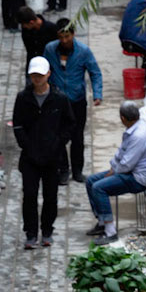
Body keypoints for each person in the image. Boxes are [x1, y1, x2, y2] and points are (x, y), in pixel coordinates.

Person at [12, 57, 72, 251]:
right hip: (30, 157)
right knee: (29, 195)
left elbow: (69, 124)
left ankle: (47, 231)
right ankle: (30, 233)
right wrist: (27, 145)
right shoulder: (23, 98)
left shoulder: (59, 98)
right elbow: (18, 124)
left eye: (40, 75)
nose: (37, 79)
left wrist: (57, 143)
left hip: (52, 157)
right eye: (34, 75)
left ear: (48, 74)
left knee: (50, 196)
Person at [85, 100, 146, 242]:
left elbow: (127, 164)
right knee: (90, 181)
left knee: (98, 188)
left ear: (123, 118)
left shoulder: (139, 135)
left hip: (138, 179)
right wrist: (113, 167)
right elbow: (121, 152)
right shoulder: (133, 129)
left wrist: (115, 170)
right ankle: (101, 221)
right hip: (127, 171)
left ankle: (110, 231)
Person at [44, 24, 103, 184]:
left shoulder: (83, 51)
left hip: (77, 101)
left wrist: (97, 94)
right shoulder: (50, 49)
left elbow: (95, 72)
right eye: (61, 37)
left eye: (67, 37)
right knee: (58, 136)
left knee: (77, 137)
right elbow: (45, 71)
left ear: (73, 35)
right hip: (57, 100)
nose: (64, 40)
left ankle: (77, 170)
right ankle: (63, 169)